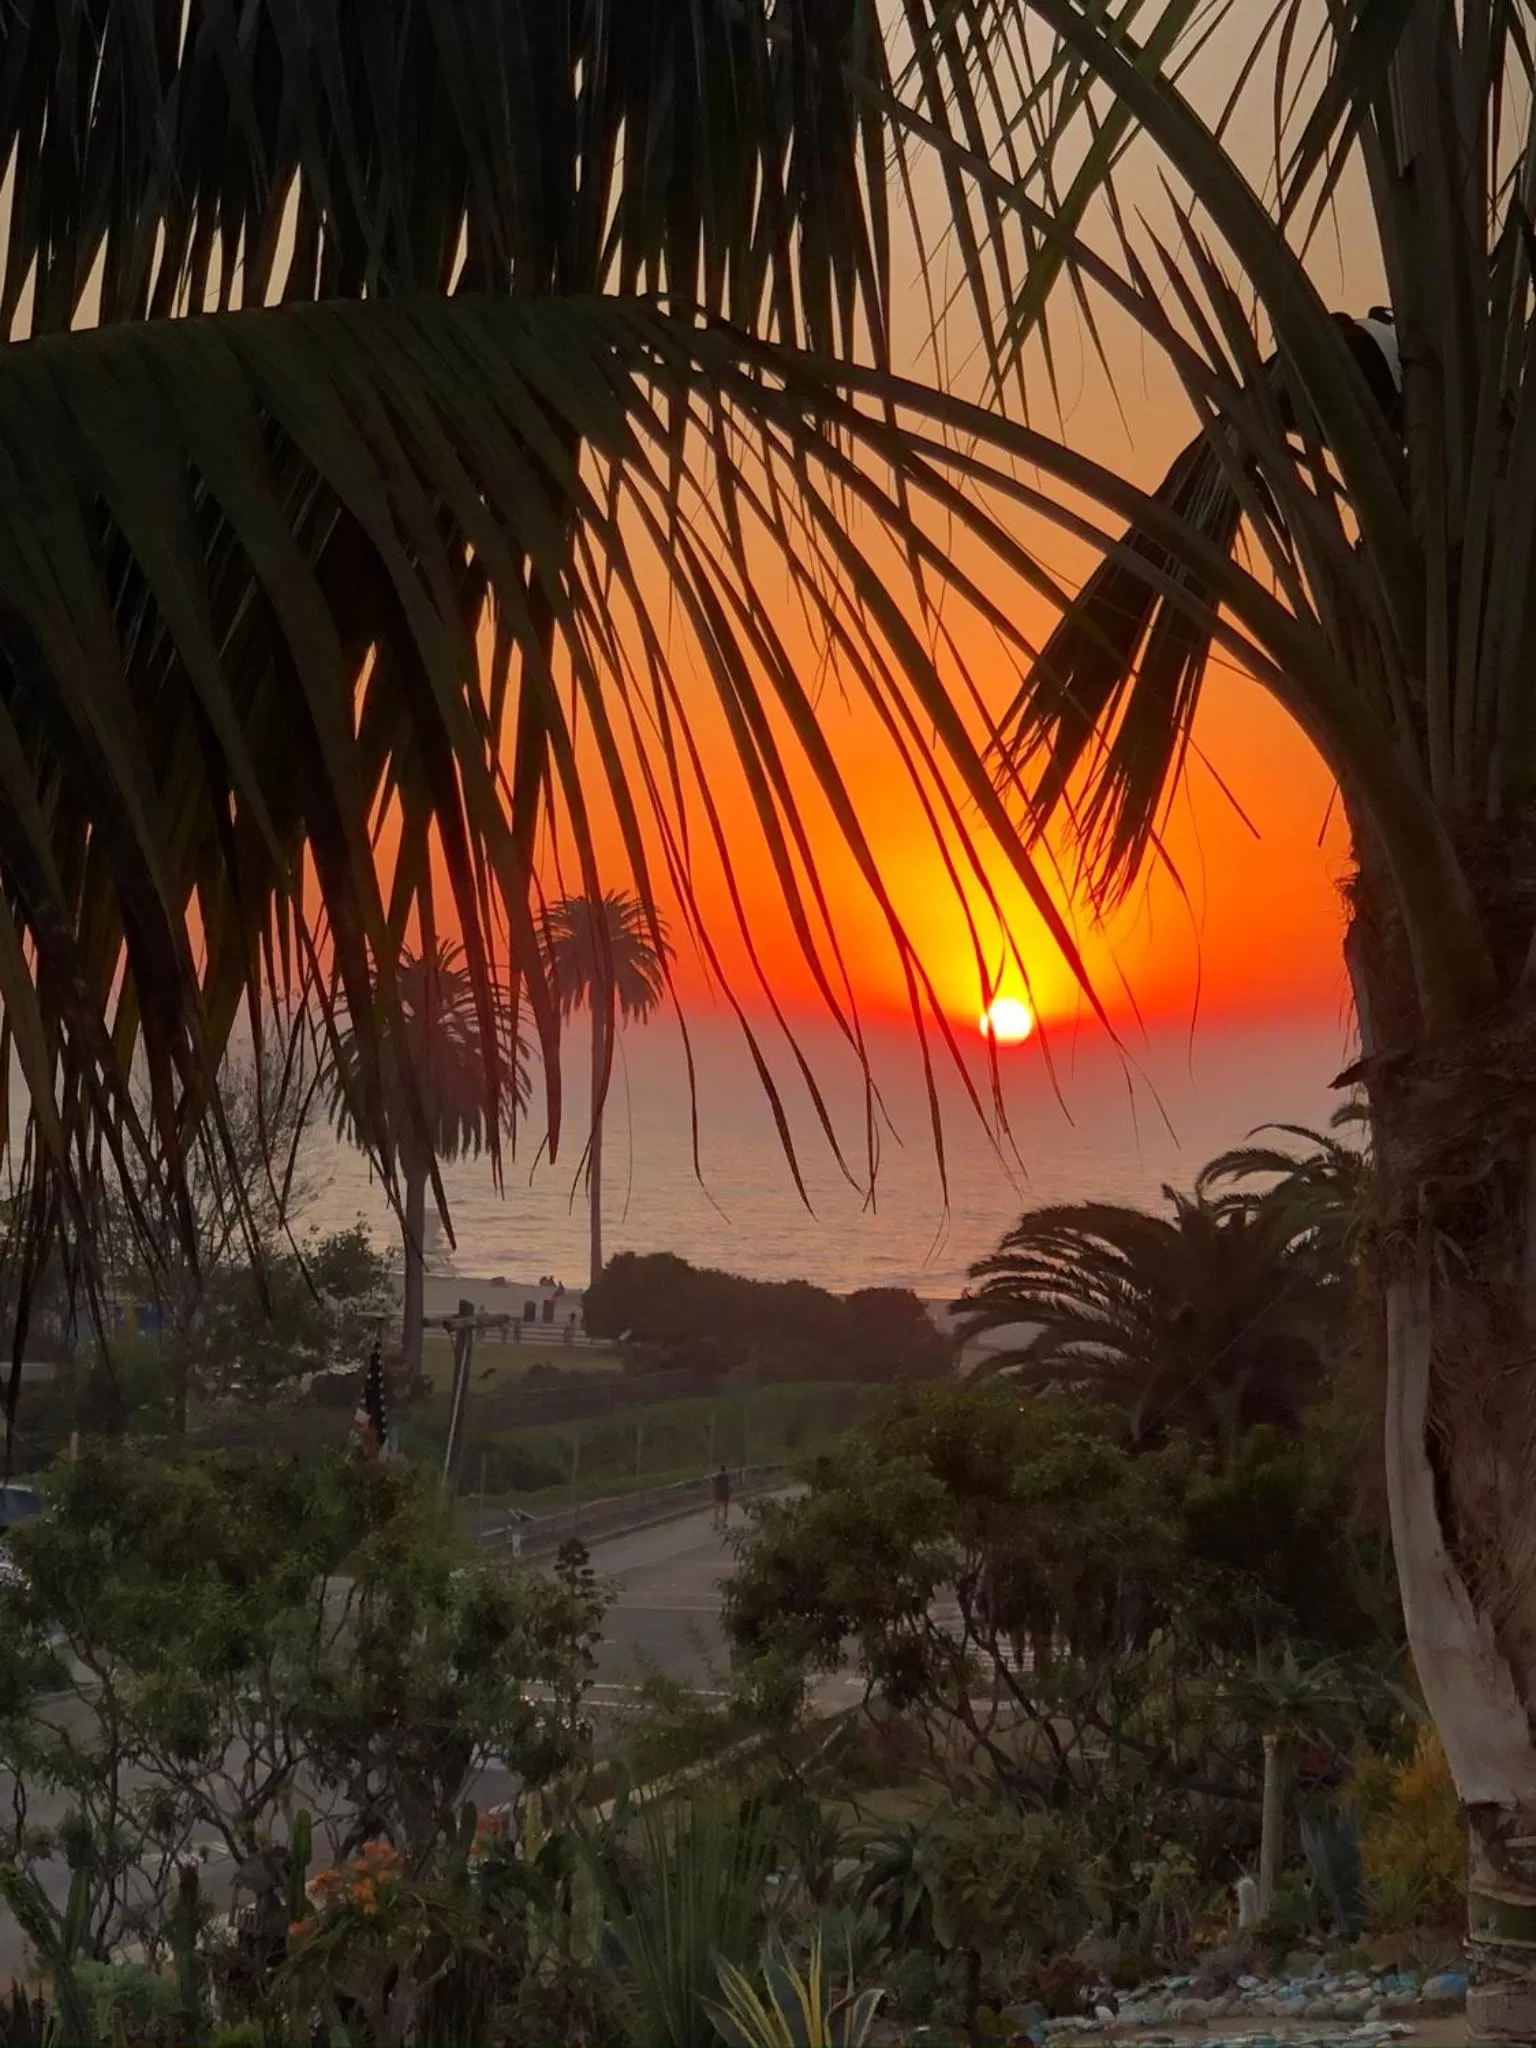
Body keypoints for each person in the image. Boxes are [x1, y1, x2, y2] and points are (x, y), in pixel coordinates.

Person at [711, 1464, 731, 1531]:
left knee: (717, 1508)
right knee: (725, 1508)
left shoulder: (718, 1476)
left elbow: (714, 1481)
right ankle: (724, 1522)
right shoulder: (727, 1476)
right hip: (726, 1494)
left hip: (719, 1494)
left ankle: (716, 1523)